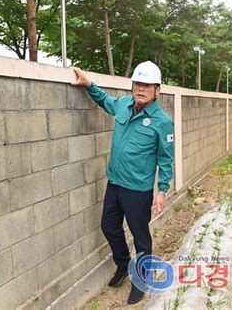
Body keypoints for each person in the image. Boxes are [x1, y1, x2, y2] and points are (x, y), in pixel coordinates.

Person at [71, 61, 175, 304]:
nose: (141, 89)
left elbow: (166, 159)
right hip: (115, 183)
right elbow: (106, 101)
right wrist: (89, 84)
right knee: (108, 226)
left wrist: (162, 191)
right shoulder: (124, 104)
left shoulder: (162, 121)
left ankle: (141, 279)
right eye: (138, 83)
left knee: (141, 237)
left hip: (138, 189)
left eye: (147, 85)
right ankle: (123, 264)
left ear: (157, 90)